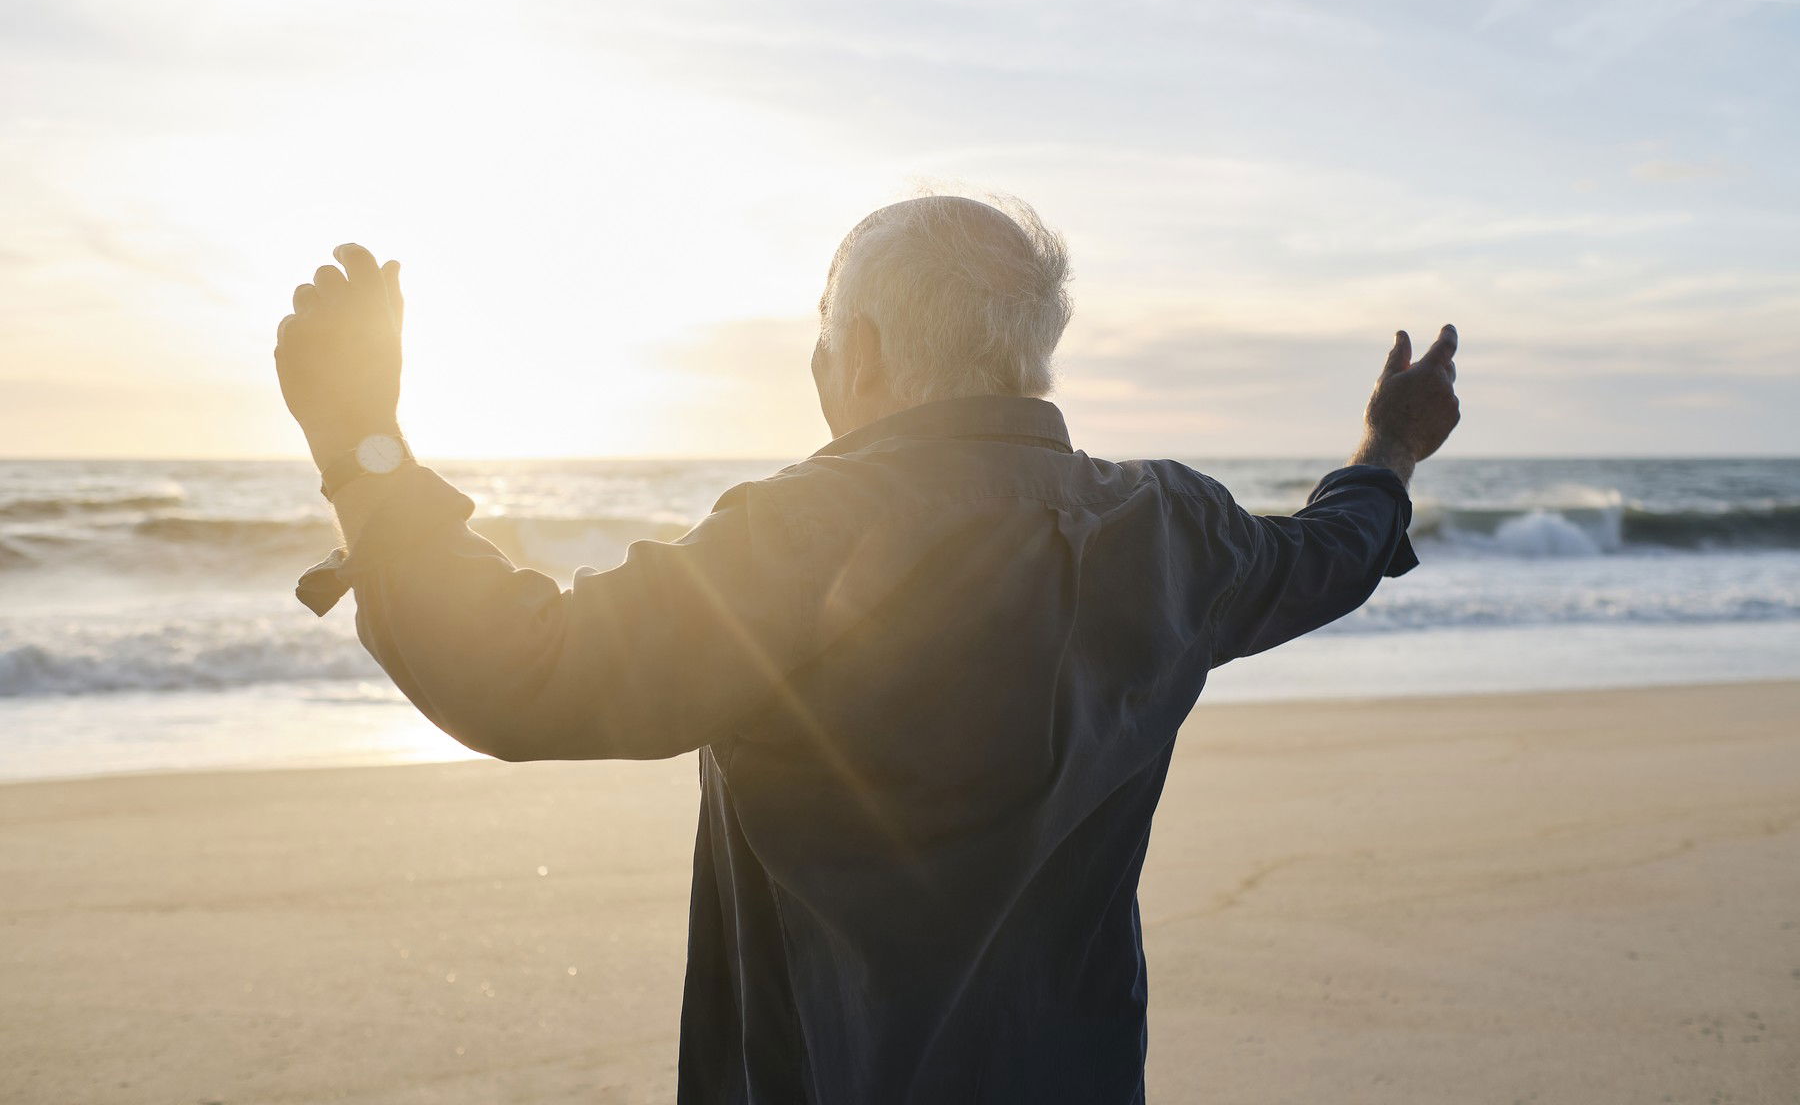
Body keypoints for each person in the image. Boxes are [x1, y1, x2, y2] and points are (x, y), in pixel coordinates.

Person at [275, 194, 1459, 1104]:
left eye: (825, 340)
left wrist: (362, 447)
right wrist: (1389, 451)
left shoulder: (806, 529)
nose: (818, 369)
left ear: (872, 351)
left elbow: (527, 672)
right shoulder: (1173, 526)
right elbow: (1330, 553)